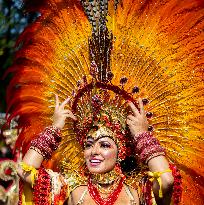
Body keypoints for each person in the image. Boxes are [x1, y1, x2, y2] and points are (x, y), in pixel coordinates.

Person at [17, 94, 179, 205]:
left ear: (120, 152)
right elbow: (26, 170)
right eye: (88, 144)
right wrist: (54, 128)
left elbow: (166, 180)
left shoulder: (139, 192)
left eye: (105, 145)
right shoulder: (71, 190)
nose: (94, 151)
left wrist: (142, 135)